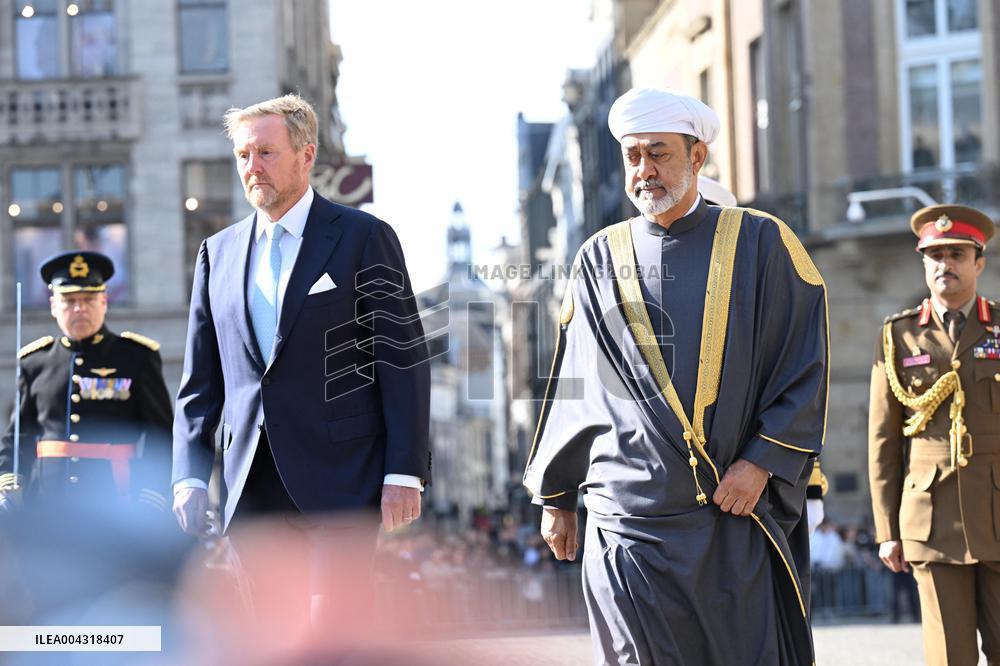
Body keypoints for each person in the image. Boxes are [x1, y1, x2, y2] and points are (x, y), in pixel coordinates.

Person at [523, 87, 829, 665]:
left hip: (730, 511)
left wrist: (762, 461)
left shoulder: (764, 242)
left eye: (659, 153)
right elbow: (575, 382)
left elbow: (802, 363)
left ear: (697, 157)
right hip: (626, 518)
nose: (645, 171)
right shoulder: (597, 256)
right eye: (633, 156)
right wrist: (558, 496)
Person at [171, 94, 430, 552]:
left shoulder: (364, 238)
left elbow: (402, 362)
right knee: (262, 625)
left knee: (334, 623)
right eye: (243, 155)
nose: (252, 166)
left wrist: (404, 471)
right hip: (247, 486)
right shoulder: (218, 254)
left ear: (305, 155)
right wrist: (188, 475)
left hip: (342, 482)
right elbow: (200, 383)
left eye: (266, 153)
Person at [869, 204, 1000, 665]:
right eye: (936, 255)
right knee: (949, 657)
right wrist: (887, 530)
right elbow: (884, 443)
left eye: (957, 254)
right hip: (932, 521)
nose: (946, 264)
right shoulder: (898, 336)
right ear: (923, 264)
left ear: (978, 262)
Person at [0, 251, 172, 512]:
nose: (79, 308)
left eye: (89, 299)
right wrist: (9, 487)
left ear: (104, 301)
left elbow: (161, 435)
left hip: (117, 506)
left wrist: (150, 496)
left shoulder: (136, 357)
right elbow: (19, 437)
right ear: (53, 306)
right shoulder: (35, 362)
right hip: (46, 509)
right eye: (69, 300)